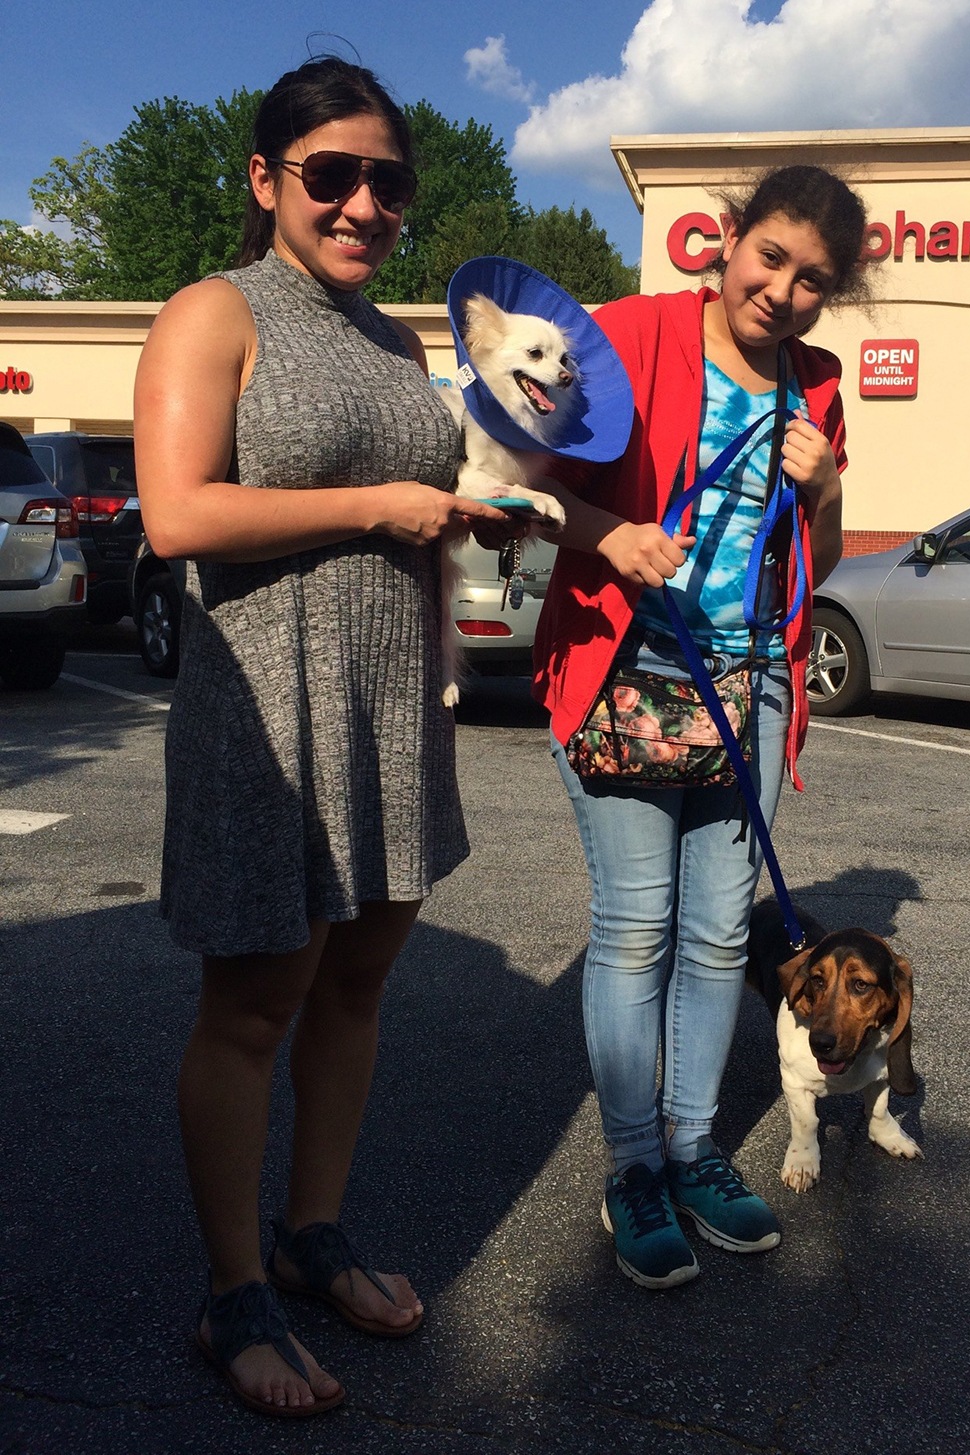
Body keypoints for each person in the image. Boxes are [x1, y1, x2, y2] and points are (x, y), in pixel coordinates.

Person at [134, 57, 512, 1416]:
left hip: (391, 705)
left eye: (387, 182)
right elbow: (177, 516)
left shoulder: (402, 342)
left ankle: (313, 1235)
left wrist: (472, 513)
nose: (362, 203)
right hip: (269, 709)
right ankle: (232, 1293)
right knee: (254, 1005)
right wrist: (378, 505)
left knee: (357, 986)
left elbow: (426, 495)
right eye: (331, 175)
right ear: (267, 180)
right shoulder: (212, 313)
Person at [531, 165, 871, 1289]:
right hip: (631, 664)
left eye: (813, 280)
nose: (782, 291)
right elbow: (512, 482)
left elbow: (811, 568)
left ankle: (691, 1152)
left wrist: (820, 491)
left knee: (721, 939)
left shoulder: (816, 389)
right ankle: (633, 1166)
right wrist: (608, 536)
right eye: (769, 257)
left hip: (751, 687)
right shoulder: (627, 335)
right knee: (635, 930)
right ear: (726, 242)